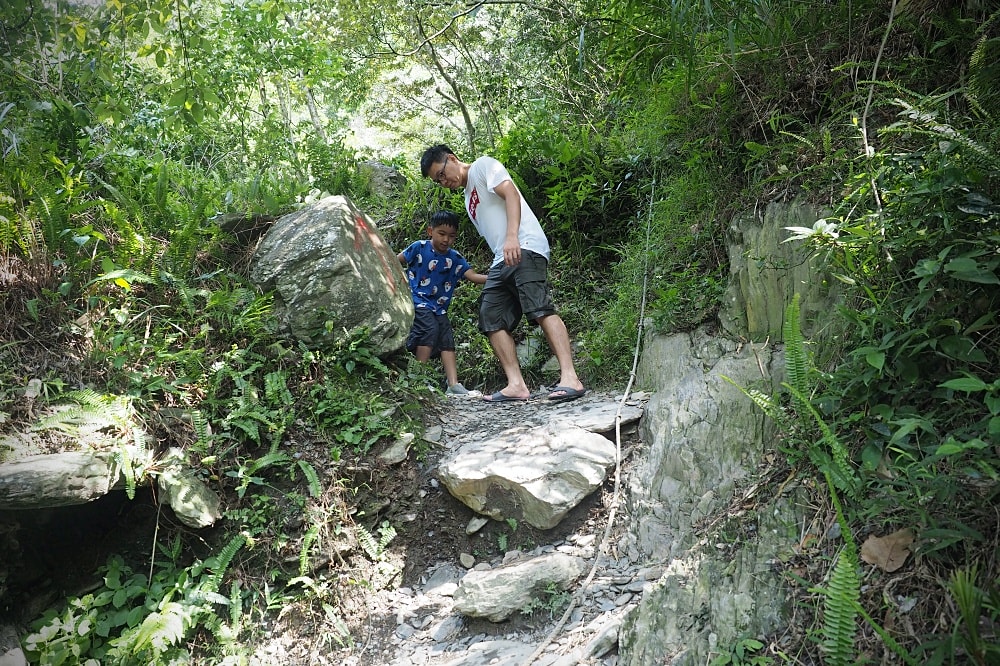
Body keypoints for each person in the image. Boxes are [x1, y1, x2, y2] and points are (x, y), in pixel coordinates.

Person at [420, 144, 587, 403]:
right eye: (437, 181)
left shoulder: (483, 166)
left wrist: (512, 237)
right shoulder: (467, 199)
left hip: (525, 245)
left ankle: (570, 378)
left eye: (441, 174)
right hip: (502, 258)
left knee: (540, 308)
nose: (443, 182)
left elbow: (510, 193)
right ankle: (516, 385)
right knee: (491, 317)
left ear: (451, 159)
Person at [398, 210, 487, 396]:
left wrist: (497, 278)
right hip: (418, 301)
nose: (446, 239)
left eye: (451, 236)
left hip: (439, 307)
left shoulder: (455, 258)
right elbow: (395, 261)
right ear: (430, 231)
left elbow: (472, 276)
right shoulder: (419, 247)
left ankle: (453, 384)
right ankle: (418, 379)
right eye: (442, 234)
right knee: (429, 330)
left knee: (447, 338)